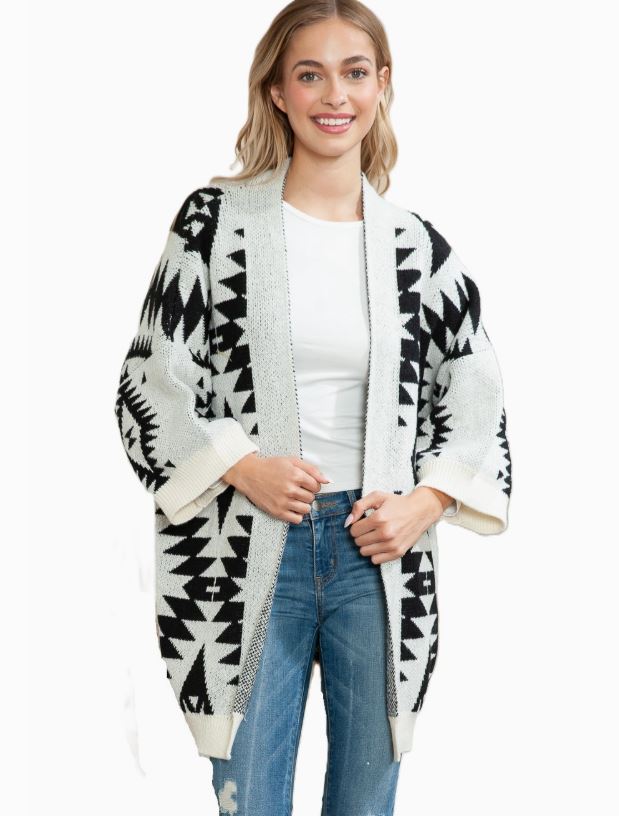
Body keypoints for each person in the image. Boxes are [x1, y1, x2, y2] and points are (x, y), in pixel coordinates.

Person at [114, 1, 512, 814]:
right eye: (310, 74)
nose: (335, 94)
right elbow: (152, 375)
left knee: (365, 803)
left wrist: (422, 503)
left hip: (379, 555)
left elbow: (475, 389)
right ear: (278, 92)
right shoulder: (214, 225)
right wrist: (242, 465)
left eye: (354, 72)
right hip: (243, 545)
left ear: (382, 84)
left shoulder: (416, 247)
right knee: (250, 798)